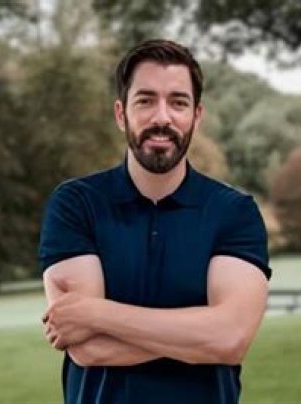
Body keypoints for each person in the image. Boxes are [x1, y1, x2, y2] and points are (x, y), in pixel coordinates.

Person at [38, 39, 271, 404]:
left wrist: (97, 313)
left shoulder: (234, 212)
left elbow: (230, 339)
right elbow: (87, 348)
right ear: (121, 114)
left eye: (178, 102)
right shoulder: (76, 204)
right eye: (145, 101)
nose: (162, 117)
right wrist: (200, 335)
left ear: (196, 116)